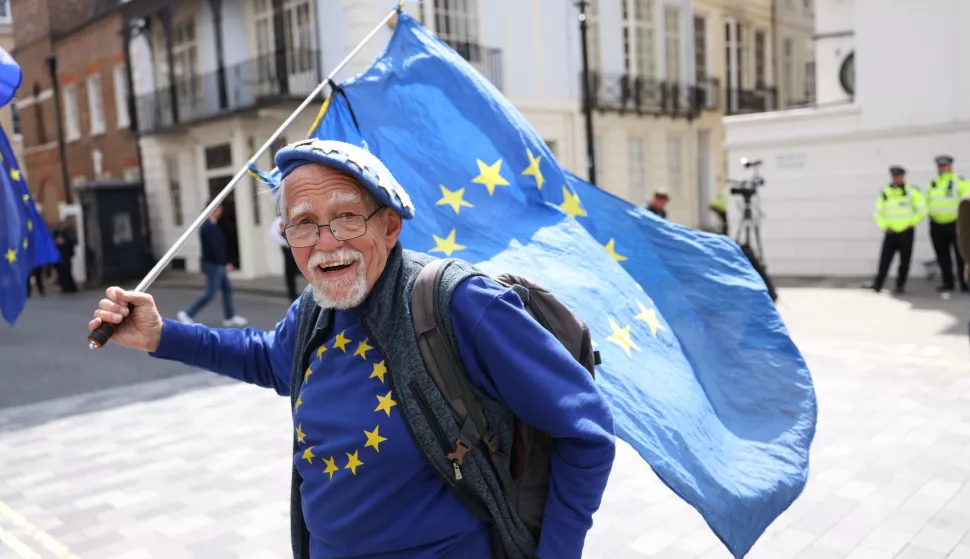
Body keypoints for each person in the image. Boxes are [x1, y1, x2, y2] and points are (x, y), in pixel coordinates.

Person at [89, 139, 616, 559]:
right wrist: (160, 335)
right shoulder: (314, 311)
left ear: (389, 226)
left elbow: (587, 431)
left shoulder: (459, 304)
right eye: (303, 223)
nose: (325, 241)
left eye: (346, 217)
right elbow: (268, 359)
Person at [176, 201, 248, 327]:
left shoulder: (213, 225)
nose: (220, 212)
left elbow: (218, 247)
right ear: (212, 210)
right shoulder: (207, 226)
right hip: (214, 264)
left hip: (217, 264)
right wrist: (224, 263)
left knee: (227, 290)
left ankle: (229, 317)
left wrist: (225, 262)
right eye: (218, 209)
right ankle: (187, 314)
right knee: (210, 293)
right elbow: (214, 248)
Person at [871, 166, 926, 294]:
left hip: (906, 232)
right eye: (894, 176)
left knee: (905, 261)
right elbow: (878, 213)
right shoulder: (885, 193)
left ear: (903, 177)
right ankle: (878, 284)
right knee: (884, 260)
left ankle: (900, 285)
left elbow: (922, 210)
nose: (897, 179)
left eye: (899, 176)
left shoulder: (912, 192)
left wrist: (911, 223)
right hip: (891, 232)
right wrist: (885, 226)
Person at [926, 155, 970, 296]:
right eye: (940, 166)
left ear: (950, 166)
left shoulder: (959, 181)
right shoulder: (933, 183)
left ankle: (964, 283)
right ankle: (948, 282)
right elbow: (926, 201)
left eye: (945, 166)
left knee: (961, 254)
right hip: (937, 224)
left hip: (954, 223)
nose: (943, 168)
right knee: (942, 255)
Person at [270, 214, 300, 300]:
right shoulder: (279, 220)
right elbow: (272, 233)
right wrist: (284, 243)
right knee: (289, 270)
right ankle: (292, 294)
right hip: (288, 247)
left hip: (297, 244)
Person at [53, 219, 78, 293]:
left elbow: (72, 241)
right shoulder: (57, 232)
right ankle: (64, 286)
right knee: (62, 272)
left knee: (67, 271)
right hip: (60, 256)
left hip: (66, 255)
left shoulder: (69, 232)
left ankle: (70, 287)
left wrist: (64, 242)